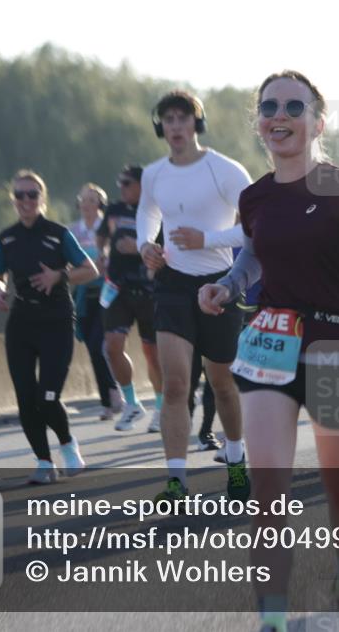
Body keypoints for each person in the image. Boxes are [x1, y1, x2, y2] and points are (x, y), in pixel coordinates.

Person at [198, 70, 339, 632]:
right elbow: (252, 259)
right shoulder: (254, 196)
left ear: (317, 121)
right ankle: (272, 617)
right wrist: (228, 286)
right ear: (258, 121)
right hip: (269, 347)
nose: (279, 115)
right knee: (268, 488)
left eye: (294, 105)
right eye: (269, 107)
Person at [136, 90, 253, 504]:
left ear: (196, 125)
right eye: (168, 119)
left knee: (222, 383)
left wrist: (209, 238)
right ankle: (176, 480)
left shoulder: (224, 170)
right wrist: (145, 244)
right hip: (172, 283)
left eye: (183, 119)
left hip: (219, 283)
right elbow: (148, 212)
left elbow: (257, 225)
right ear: (160, 127)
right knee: (175, 385)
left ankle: (237, 461)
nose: (176, 127)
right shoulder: (154, 174)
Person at [0, 170, 97, 484]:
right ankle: (43, 461)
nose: (25, 201)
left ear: (42, 199)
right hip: (21, 322)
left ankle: (67, 444)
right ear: (13, 200)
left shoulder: (58, 233)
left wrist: (58, 276)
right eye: (19, 195)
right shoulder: (6, 238)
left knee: (47, 397)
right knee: (25, 397)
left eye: (32, 195)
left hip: (57, 321)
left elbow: (89, 269)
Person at [96, 165, 166, 428]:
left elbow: (165, 248)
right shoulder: (114, 210)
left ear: (142, 186)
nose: (122, 188)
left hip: (148, 290)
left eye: (127, 183)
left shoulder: (155, 210)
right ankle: (132, 403)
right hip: (117, 287)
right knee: (112, 346)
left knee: (152, 353)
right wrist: (102, 252)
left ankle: (160, 407)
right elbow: (101, 234)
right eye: (120, 183)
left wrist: (137, 248)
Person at [70, 183, 123, 420]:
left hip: (109, 293)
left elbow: (118, 256)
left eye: (92, 200)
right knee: (92, 348)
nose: (87, 204)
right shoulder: (72, 231)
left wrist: (101, 263)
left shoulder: (109, 227)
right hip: (83, 296)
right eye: (83, 199)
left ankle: (116, 391)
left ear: (100, 204)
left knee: (99, 345)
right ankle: (107, 401)